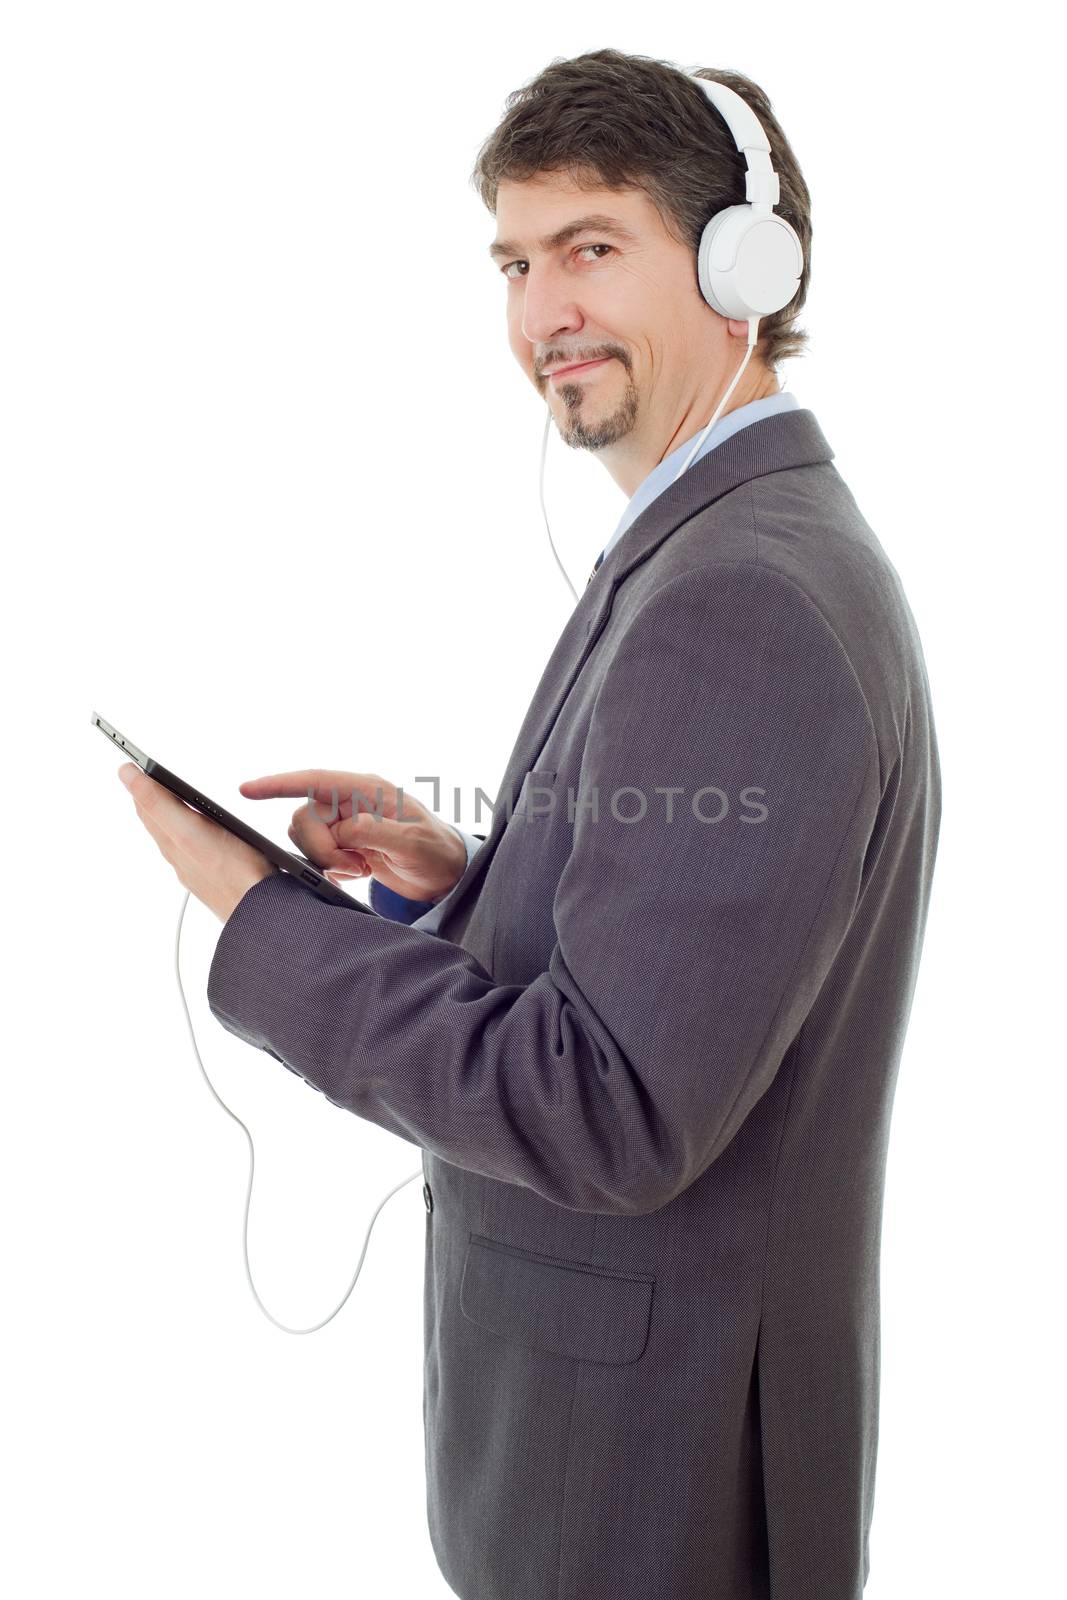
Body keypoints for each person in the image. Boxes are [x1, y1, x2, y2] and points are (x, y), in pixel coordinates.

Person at [134, 49, 942, 1600]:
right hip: (626, 1449)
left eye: (593, 247)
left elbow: (607, 1109)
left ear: (743, 268)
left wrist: (263, 923)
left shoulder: (742, 599)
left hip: (640, 1488)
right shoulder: (721, 545)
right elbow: (676, 975)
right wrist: (473, 889)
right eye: (515, 261)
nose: (541, 313)